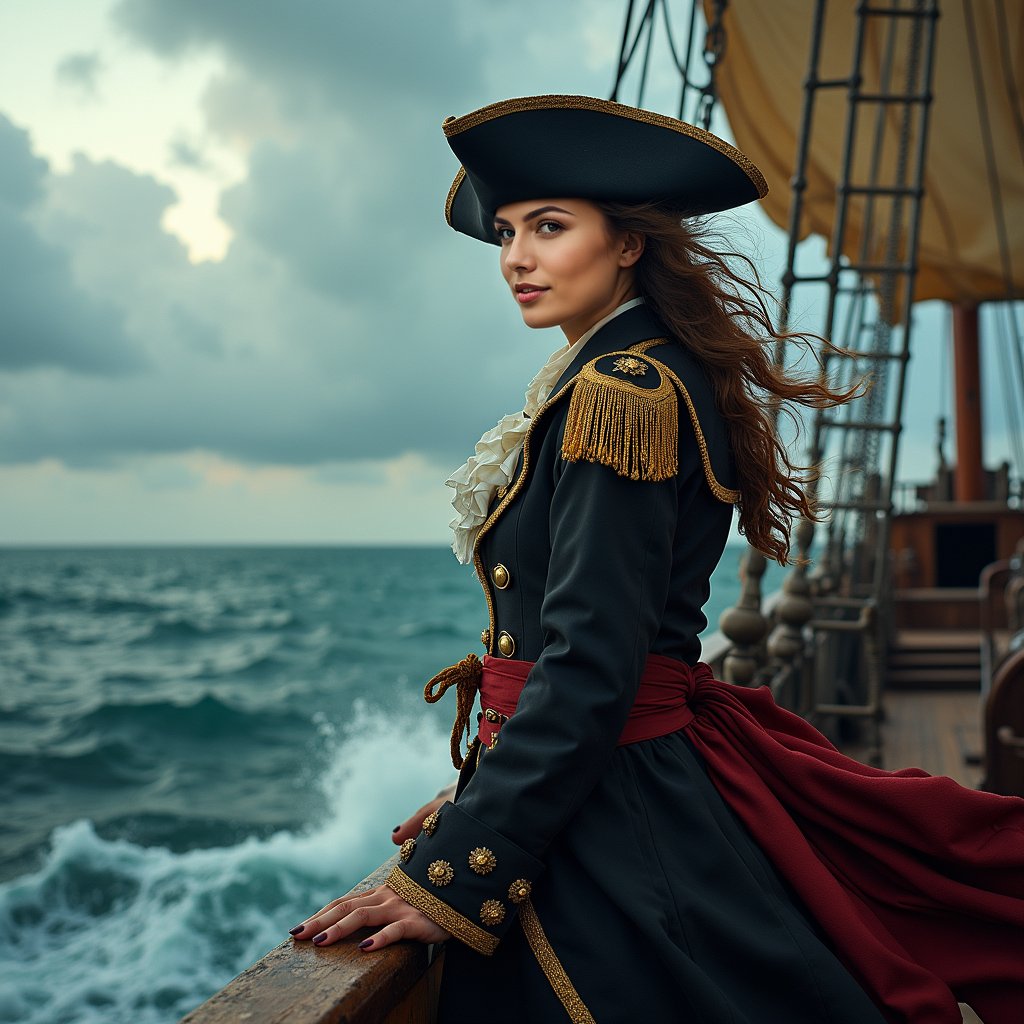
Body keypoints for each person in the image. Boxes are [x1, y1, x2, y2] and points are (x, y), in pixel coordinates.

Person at [290, 95, 1024, 1023]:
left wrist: (461, 865)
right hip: (616, 769)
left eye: (549, 228)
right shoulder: (622, 376)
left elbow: (593, 663)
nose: (516, 257)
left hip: (620, 805)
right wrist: (481, 786)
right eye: (508, 232)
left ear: (628, 243)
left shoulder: (621, 391)